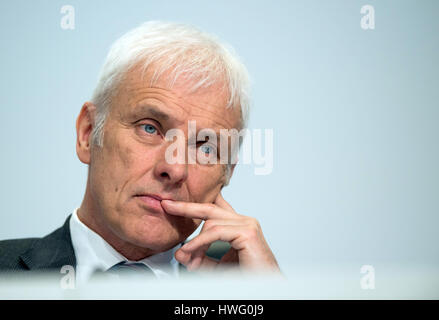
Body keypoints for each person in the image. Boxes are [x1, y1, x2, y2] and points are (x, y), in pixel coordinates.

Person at [0, 21, 281, 284]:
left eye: (205, 148)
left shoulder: (239, 291)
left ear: (227, 173)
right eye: (150, 128)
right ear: (88, 133)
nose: (175, 169)